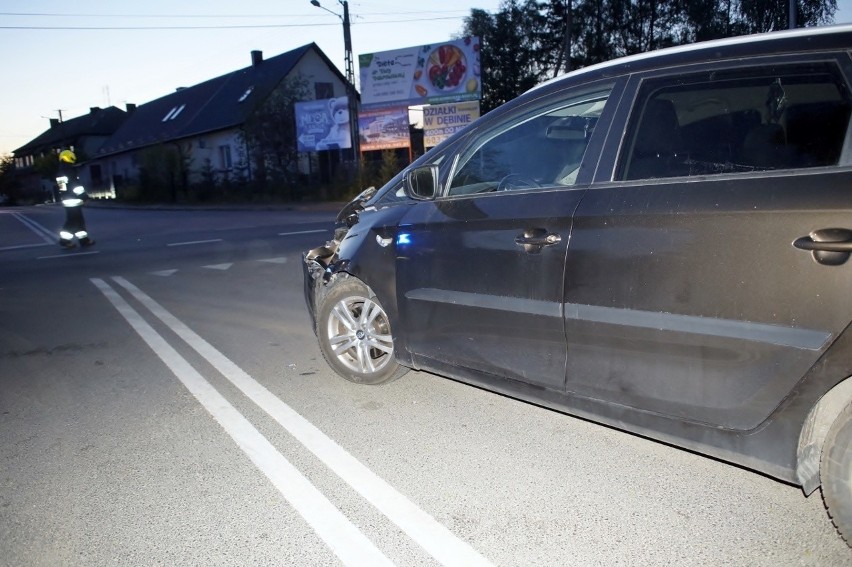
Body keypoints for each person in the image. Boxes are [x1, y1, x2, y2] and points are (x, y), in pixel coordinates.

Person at [56, 149, 94, 248]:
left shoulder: (60, 172)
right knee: (73, 221)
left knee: (77, 221)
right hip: (73, 200)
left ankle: (83, 240)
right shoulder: (69, 171)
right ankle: (65, 241)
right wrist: (84, 196)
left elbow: (63, 188)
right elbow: (75, 186)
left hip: (66, 199)